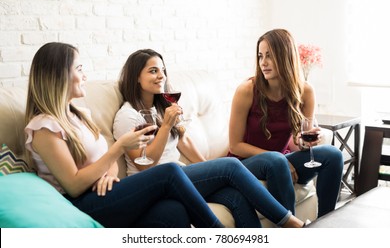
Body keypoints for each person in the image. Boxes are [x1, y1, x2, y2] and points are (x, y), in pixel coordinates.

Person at [24, 42, 225, 228]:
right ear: (58, 75)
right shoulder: (44, 127)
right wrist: (119, 147)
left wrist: (110, 175)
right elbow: (74, 185)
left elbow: (106, 160)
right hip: (79, 205)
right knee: (170, 172)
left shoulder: (78, 114)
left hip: (104, 192)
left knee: (173, 211)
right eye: (79, 69)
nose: (85, 76)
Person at [113, 48, 305, 228]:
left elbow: (183, 141)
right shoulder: (128, 116)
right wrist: (166, 126)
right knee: (231, 166)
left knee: (236, 197)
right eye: (153, 71)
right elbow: (144, 165)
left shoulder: (161, 107)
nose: (161, 76)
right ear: (136, 76)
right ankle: (290, 223)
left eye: (162, 70)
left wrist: (209, 170)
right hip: (156, 183)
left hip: (180, 175)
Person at [227, 28, 344, 218]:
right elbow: (235, 145)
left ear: (286, 56)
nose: (263, 62)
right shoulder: (247, 90)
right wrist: (279, 159)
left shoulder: (305, 91)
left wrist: (305, 142)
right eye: (260, 56)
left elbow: (294, 141)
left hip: (280, 162)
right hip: (246, 164)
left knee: (333, 154)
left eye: (270, 56)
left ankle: (325, 223)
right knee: (277, 161)